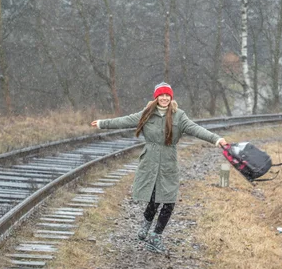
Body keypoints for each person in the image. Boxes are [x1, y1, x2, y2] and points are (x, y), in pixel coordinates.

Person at [91, 82, 227, 254]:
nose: (164, 98)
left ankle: (155, 237)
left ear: (171, 98)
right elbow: (125, 121)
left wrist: (217, 139)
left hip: (169, 162)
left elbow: (196, 129)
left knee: (169, 200)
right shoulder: (147, 114)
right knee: (154, 199)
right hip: (150, 161)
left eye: (167, 95)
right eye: (161, 95)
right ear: (156, 97)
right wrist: (103, 123)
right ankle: (146, 224)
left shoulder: (179, 116)